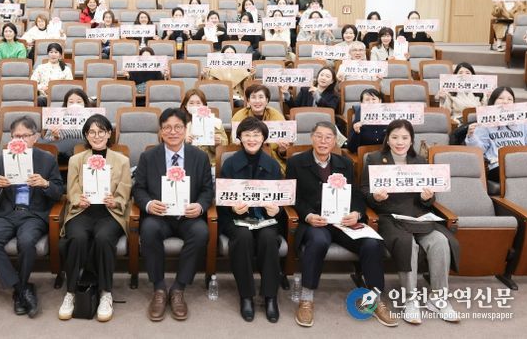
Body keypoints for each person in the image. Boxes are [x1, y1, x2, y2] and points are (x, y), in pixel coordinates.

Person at [286, 121, 396, 328]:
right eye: (319, 136)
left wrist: (357, 213)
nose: (323, 141)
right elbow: (293, 197)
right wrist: (308, 215)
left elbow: (356, 195)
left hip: (343, 222)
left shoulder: (344, 163)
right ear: (311, 138)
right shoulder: (296, 163)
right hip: (316, 222)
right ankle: (306, 299)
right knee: (318, 241)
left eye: (328, 137)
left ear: (335, 141)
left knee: (372, 243)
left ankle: (375, 299)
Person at [362, 119, 461, 324]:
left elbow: (430, 198)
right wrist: (375, 197)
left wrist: (427, 198)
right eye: (395, 137)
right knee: (408, 244)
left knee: (441, 242)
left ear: (411, 140)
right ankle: (410, 299)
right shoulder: (374, 159)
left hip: (418, 216)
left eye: (405, 138)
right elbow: (364, 190)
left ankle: (438, 299)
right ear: (387, 139)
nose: (400, 142)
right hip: (390, 217)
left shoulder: (420, 162)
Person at [133, 108, 213, 322]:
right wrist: (149, 204)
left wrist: (200, 206)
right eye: (167, 127)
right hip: (160, 217)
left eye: (178, 127)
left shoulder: (200, 157)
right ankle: (159, 288)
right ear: (160, 132)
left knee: (201, 232)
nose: (173, 132)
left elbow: (207, 190)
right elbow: (138, 189)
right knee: (148, 229)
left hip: (188, 217)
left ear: (186, 130)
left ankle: (178, 288)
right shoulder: (148, 156)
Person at [0, 116, 63, 318]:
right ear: (10, 138)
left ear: (35, 137)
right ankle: (22, 288)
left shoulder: (47, 159)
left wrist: (45, 184)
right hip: (7, 212)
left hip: (33, 214)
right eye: (16, 136)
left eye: (25, 136)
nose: (21, 140)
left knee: (26, 242)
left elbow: (58, 192)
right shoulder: (3, 159)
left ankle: (20, 291)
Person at [60, 114, 131, 322]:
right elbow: (71, 189)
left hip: (109, 213)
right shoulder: (76, 160)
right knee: (77, 238)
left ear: (109, 134)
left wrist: (115, 200)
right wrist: (78, 199)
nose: (97, 136)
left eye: (101, 131)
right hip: (82, 211)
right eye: (92, 132)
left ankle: (106, 292)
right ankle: (71, 292)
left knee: (103, 238)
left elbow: (125, 190)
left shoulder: (122, 161)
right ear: (86, 135)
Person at [218, 117, 284, 323]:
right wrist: (232, 206)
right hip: (235, 219)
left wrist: (277, 210)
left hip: (265, 219)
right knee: (243, 237)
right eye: (247, 135)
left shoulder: (273, 165)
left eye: (256, 135)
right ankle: (246, 296)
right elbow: (221, 199)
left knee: (269, 238)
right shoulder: (230, 164)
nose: (252, 139)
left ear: (264, 138)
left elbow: (281, 198)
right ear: (239, 138)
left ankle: (270, 296)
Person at [465, 86, 527, 181]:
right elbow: (479, 150)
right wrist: (471, 136)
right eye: (501, 98)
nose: (505, 102)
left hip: (523, 161)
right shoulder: (485, 123)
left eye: (510, 99)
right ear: (493, 101)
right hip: (498, 165)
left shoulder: (523, 121)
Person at [232, 84, 290, 175]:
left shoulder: (277, 116)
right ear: (248, 101)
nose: (257, 101)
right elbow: (233, 143)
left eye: (261, 97)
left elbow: (282, 150)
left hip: (271, 158)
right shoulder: (239, 116)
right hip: (245, 157)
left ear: (267, 100)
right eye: (253, 97)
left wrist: (282, 150)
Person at [39, 88, 92, 165]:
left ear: (85, 104)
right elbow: (47, 140)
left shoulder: (91, 118)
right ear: (66, 104)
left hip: (81, 152)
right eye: (71, 102)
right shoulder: (57, 117)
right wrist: (55, 137)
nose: (75, 105)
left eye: (79, 102)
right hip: (59, 154)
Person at [181, 88, 228, 167]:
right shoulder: (179, 123)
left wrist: (217, 143)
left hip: (209, 164)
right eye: (191, 103)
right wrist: (183, 142)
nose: (195, 106)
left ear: (204, 105)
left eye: (198, 103)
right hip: (186, 164)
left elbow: (225, 145)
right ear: (186, 106)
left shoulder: (215, 122)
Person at [346, 88, 385, 153]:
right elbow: (351, 148)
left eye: (374, 99)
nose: (371, 102)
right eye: (367, 100)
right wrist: (356, 132)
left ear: (380, 101)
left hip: (385, 152)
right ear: (362, 103)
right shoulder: (358, 121)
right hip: (365, 153)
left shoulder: (388, 118)